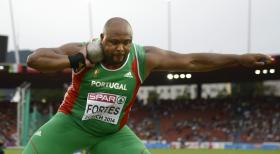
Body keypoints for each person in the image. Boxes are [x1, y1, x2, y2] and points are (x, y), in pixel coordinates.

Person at [23, 17, 273, 154]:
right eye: (114, 42)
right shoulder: (83, 50)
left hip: (112, 132)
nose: (120, 48)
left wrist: (240, 59)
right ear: (102, 39)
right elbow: (35, 59)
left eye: (126, 42)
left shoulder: (143, 58)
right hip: (71, 124)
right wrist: (77, 60)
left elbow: (192, 60)